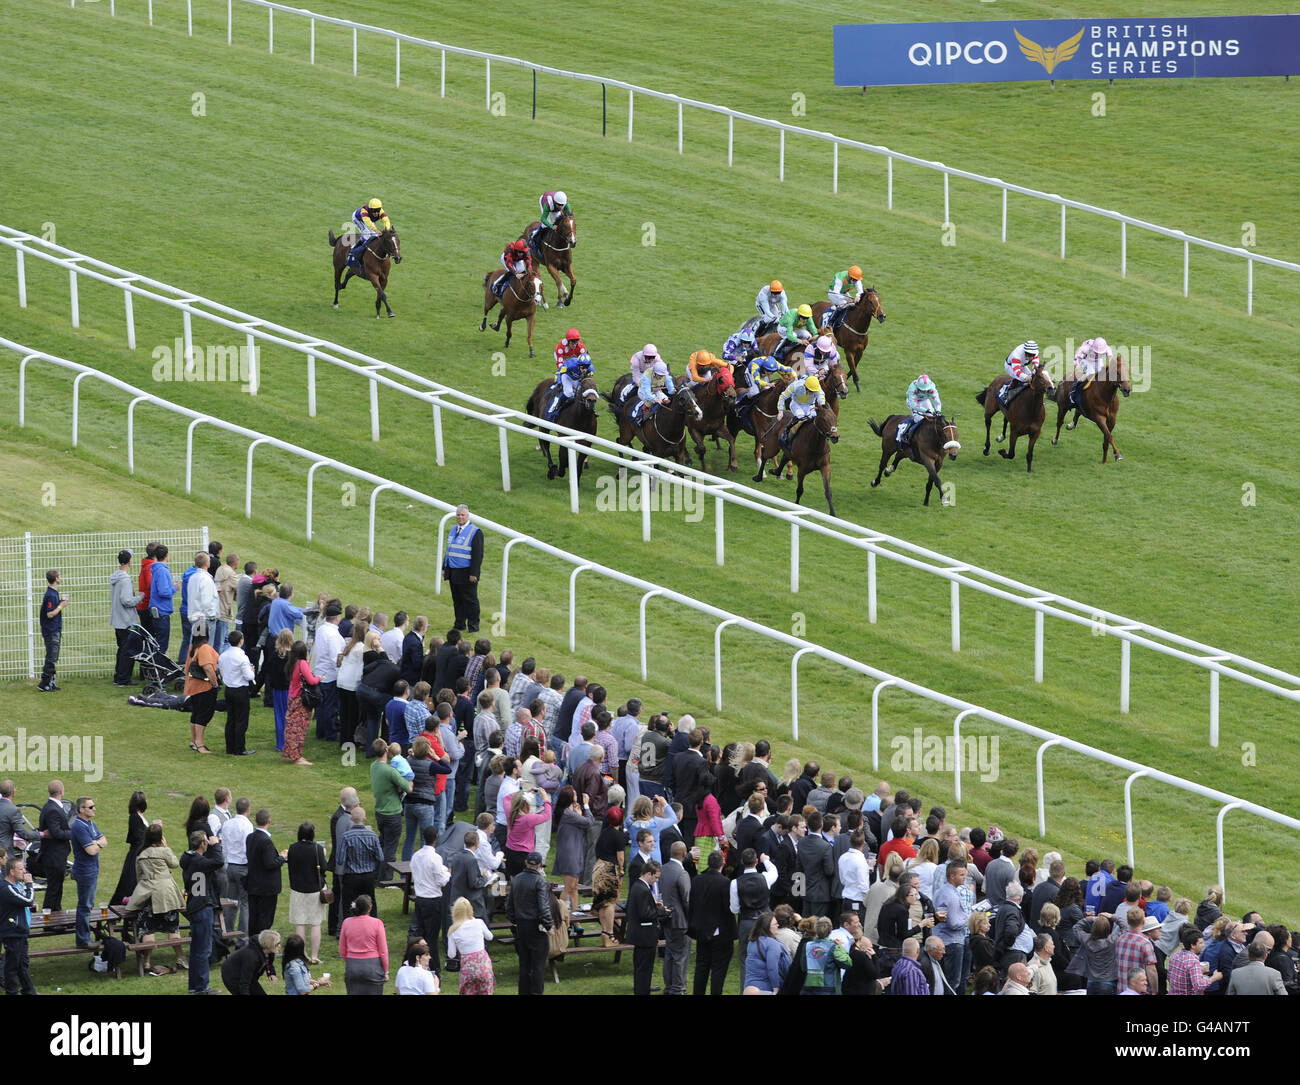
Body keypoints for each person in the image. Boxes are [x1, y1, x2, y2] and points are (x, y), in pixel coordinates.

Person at [126, 823, 188, 976]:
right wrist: (166, 847)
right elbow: (175, 864)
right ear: (161, 837)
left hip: (148, 894)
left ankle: (147, 962)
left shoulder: (141, 854)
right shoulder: (164, 851)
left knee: (148, 930)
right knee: (173, 928)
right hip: (167, 894)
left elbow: (139, 876)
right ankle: (180, 957)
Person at [688, 849, 736, 995]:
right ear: (722, 864)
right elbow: (729, 908)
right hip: (720, 931)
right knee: (718, 970)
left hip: (701, 929)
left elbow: (692, 904)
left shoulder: (697, 880)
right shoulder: (724, 882)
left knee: (701, 967)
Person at [180, 829, 223, 995]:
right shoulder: (200, 862)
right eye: (206, 841)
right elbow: (219, 861)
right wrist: (216, 846)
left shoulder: (189, 859)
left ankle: (194, 986)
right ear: (203, 844)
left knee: (196, 949)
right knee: (203, 950)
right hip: (202, 907)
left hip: (194, 904)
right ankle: (202, 987)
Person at [506, 851, 554, 996]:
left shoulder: (517, 880)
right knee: (538, 966)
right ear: (539, 865)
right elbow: (543, 907)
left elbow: (509, 905)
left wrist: (514, 920)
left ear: (526, 862)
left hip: (521, 926)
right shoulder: (540, 881)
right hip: (536, 927)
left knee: (524, 965)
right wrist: (549, 925)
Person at [408, 825, 450, 974]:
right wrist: (448, 873)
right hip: (433, 900)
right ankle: (434, 969)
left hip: (420, 898)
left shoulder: (416, 855)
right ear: (436, 838)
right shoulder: (435, 858)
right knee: (431, 938)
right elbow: (442, 881)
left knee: (420, 935)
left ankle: (417, 965)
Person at [286, 822, 328, 966]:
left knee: (300, 923)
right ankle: (314, 956)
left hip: (298, 889)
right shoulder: (317, 848)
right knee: (316, 924)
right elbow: (324, 868)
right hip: (315, 890)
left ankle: (302, 955)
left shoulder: (292, 848)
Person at [69, 796, 106, 948]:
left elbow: (104, 840)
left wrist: (96, 843)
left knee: (87, 905)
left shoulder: (89, 823)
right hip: (85, 871)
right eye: (90, 807)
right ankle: (83, 940)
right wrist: (97, 843)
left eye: (93, 806)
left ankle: (84, 938)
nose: (94, 809)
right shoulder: (79, 826)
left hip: (91, 869)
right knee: (85, 905)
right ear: (81, 809)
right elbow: (90, 850)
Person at [245, 809, 288, 938]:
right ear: (269, 820)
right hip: (266, 888)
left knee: (253, 917)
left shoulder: (250, 837)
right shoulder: (266, 841)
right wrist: (282, 857)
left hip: (253, 884)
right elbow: (270, 864)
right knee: (265, 919)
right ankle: (262, 944)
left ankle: (253, 943)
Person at [442, 505, 483, 635]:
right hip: (453, 571)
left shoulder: (475, 532)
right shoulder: (453, 529)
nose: (460, 517)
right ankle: (459, 623)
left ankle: (473, 625)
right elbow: (449, 549)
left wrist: (474, 573)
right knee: (457, 600)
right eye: (458, 515)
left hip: (466, 572)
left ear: (468, 516)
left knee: (470, 600)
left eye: (463, 515)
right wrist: (445, 567)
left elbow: (478, 555)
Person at [0, 855, 37, 995]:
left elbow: (22, 902)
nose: (25, 872)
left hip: (20, 930)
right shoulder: (6, 888)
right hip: (12, 932)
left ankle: (29, 991)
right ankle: (11, 992)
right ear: (12, 872)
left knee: (22, 964)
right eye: (21, 869)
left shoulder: (15, 886)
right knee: (12, 966)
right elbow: (28, 900)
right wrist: (29, 884)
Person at [627, 858, 665, 996]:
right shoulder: (642, 889)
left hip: (640, 935)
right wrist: (660, 911)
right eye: (655, 877)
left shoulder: (637, 886)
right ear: (648, 874)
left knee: (640, 968)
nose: (656, 881)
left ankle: (641, 989)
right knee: (644, 969)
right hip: (645, 936)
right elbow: (644, 913)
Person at [660, 841, 693, 995]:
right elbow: (687, 899)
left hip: (666, 918)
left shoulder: (662, 869)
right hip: (680, 921)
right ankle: (678, 988)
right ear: (684, 854)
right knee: (680, 957)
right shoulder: (682, 873)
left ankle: (669, 987)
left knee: (669, 954)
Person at [339, 893, 389, 995]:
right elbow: (383, 950)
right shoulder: (377, 923)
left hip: (352, 966)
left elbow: (342, 949)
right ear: (370, 908)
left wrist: (350, 961)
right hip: (373, 967)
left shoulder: (346, 922)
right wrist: (386, 970)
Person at [183, 621, 220, 755]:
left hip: (193, 686)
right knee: (204, 715)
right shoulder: (204, 648)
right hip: (204, 687)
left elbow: (186, 668)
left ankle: (193, 741)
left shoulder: (193, 647)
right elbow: (208, 667)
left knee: (196, 714)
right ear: (207, 633)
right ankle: (200, 744)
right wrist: (215, 683)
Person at [446, 896, 495, 995]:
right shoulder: (479, 922)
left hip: (468, 969)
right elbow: (490, 937)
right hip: (484, 966)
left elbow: (451, 954)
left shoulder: (453, 930)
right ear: (470, 910)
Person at [219, 630, 256, 756]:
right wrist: (252, 670)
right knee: (241, 720)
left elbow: (222, 671)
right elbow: (249, 676)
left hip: (229, 689)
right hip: (240, 690)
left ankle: (230, 747)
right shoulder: (242, 657)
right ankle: (239, 748)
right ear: (241, 641)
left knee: (231, 719)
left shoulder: (223, 655)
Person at [110, 790, 149, 905]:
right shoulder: (134, 817)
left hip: (140, 854)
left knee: (132, 883)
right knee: (128, 883)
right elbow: (138, 837)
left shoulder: (139, 816)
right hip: (136, 854)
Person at [283, 640, 319, 766]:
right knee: (299, 727)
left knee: (292, 725)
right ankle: (297, 756)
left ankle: (291, 753)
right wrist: (319, 678)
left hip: (292, 697)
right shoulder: (302, 663)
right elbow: (311, 680)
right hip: (300, 699)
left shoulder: (291, 663)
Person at [110, 549, 142, 686]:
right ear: (129, 561)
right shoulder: (125, 579)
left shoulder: (115, 577)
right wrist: (140, 597)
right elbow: (127, 600)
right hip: (126, 620)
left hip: (117, 619)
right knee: (128, 651)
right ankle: (123, 678)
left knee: (121, 649)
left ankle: (119, 676)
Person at [37, 780, 71, 911]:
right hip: (54, 855)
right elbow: (56, 833)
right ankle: (50, 920)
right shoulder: (53, 809)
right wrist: (73, 833)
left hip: (54, 855)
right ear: (61, 791)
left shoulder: (50, 806)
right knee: (54, 888)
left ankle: (56, 916)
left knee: (57, 888)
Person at [545, 341, 596, 423]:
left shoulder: (590, 369)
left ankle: (592, 410)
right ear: (579, 364)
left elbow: (588, 379)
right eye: (583, 367)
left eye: (587, 367)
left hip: (577, 380)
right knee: (569, 393)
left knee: (583, 393)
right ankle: (556, 407)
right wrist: (558, 381)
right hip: (567, 377)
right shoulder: (571, 364)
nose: (585, 369)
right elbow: (560, 371)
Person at [504, 791, 552, 879]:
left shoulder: (509, 812)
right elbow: (547, 815)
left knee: (513, 882)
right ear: (526, 806)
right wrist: (546, 799)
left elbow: (506, 797)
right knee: (525, 883)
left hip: (509, 852)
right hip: (523, 855)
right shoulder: (528, 819)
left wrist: (523, 792)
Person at [221, 928, 280, 995]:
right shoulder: (251, 956)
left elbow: (268, 962)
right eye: (277, 944)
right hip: (232, 975)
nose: (279, 946)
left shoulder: (269, 951)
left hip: (249, 976)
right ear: (269, 945)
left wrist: (271, 973)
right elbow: (244, 983)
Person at [742, 911, 789, 994]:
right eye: (775, 924)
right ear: (767, 927)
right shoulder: (773, 943)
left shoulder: (752, 942)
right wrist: (776, 988)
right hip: (766, 988)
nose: (778, 926)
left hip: (750, 988)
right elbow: (772, 967)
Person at [774, 373, 825, 449]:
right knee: (801, 417)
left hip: (810, 405)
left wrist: (821, 407)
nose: (813, 392)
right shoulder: (795, 386)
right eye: (811, 391)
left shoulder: (816, 387)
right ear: (805, 387)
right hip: (796, 404)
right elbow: (782, 396)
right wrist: (780, 411)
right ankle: (787, 436)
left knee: (815, 418)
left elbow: (821, 398)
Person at [37, 568, 67, 693]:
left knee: (53, 656)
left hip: (54, 628)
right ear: (55, 579)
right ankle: (44, 683)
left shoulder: (53, 593)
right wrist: (62, 605)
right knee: (51, 657)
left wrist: (60, 603)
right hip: (51, 630)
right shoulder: (50, 595)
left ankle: (50, 681)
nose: (60, 578)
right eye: (59, 576)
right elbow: (50, 614)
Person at [1168, 925, 1221, 995]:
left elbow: (1170, 977)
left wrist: (1199, 972)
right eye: (1201, 943)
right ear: (1192, 945)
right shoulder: (1193, 961)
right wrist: (1214, 977)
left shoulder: (1175, 956)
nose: (1203, 945)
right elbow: (1199, 986)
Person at [899, 373, 942, 450]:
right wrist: (925, 410)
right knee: (919, 418)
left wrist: (938, 410)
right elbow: (914, 405)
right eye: (923, 390)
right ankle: (907, 434)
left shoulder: (932, 388)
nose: (925, 392)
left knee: (932, 417)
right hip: (913, 402)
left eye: (926, 390)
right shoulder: (912, 388)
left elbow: (936, 401)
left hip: (925, 400)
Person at [347, 198, 392, 269]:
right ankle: (353, 249)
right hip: (358, 219)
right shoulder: (364, 212)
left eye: (378, 210)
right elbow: (369, 223)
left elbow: (386, 220)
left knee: (374, 236)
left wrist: (386, 229)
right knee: (367, 233)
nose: (376, 213)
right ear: (370, 210)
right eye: (374, 211)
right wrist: (377, 230)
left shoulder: (381, 212)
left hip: (369, 220)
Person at [632, 358, 675, 425]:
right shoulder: (647, 375)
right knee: (651, 402)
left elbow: (669, 383)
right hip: (643, 391)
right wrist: (655, 399)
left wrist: (672, 390)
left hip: (657, 390)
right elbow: (647, 393)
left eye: (662, 375)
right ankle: (641, 417)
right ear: (654, 372)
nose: (661, 377)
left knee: (667, 400)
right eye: (659, 375)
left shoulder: (664, 374)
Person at [1002, 339, 1041, 406]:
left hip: (1022, 365)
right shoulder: (1016, 355)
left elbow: (1036, 364)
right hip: (1011, 366)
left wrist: (1033, 372)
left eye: (1032, 355)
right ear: (1025, 351)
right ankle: (1006, 392)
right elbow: (1017, 371)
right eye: (1028, 354)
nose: (1031, 357)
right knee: (1023, 379)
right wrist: (1026, 377)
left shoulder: (1035, 352)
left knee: (1033, 378)